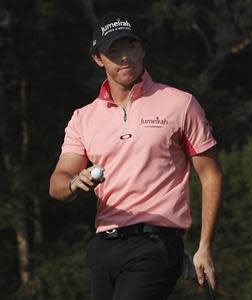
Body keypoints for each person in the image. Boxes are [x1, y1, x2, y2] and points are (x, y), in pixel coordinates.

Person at [49, 12, 222, 300]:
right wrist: (72, 183)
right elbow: (57, 183)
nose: (125, 57)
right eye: (113, 51)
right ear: (98, 59)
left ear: (142, 48)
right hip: (104, 246)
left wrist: (205, 246)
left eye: (130, 47)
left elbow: (211, 174)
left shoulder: (180, 104)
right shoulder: (83, 118)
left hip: (155, 243)